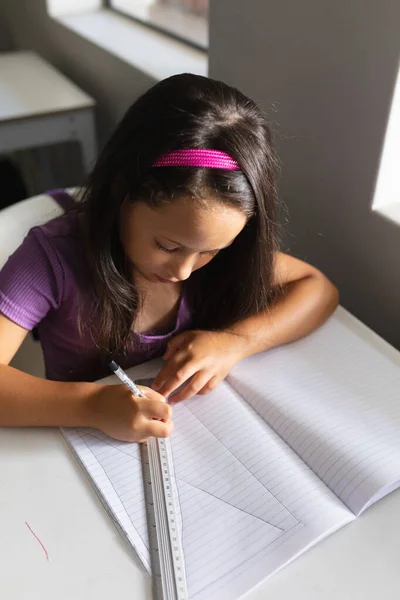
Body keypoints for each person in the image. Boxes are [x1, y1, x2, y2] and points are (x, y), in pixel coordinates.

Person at [0, 74, 338, 443]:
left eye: (211, 251)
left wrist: (235, 342)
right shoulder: (52, 258)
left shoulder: (226, 251)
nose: (183, 270)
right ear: (120, 193)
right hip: (73, 445)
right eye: (168, 246)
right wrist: (92, 404)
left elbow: (318, 289)